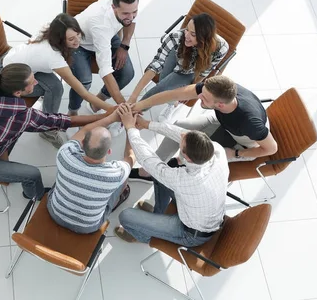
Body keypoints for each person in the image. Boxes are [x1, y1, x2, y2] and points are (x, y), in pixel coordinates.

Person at [0, 63, 110, 200]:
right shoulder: (20, 116)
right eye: (32, 82)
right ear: (18, 93)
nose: (36, 82)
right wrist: (107, 115)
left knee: (17, 131)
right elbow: (64, 121)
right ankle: (35, 195)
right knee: (32, 175)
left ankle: (5, 166)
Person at [113, 107, 228, 247]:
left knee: (126, 216)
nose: (181, 136)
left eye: (182, 142)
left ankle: (146, 236)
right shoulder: (217, 151)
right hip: (198, 211)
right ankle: (158, 214)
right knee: (163, 175)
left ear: (187, 158)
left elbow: (148, 160)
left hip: (191, 233)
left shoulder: (185, 179)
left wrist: (131, 128)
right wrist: (146, 124)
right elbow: (183, 134)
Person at [0, 13, 112, 148]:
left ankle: (48, 116)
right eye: (71, 39)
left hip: (17, 63)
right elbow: (83, 92)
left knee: (55, 87)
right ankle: (47, 130)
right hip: (9, 77)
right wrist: (111, 109)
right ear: (60, 40)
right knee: (55, 89)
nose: (77, 41)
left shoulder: (51, 28)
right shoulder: (53, 57)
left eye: (78, 34)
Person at [130, 75, 278, 183]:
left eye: (204, 97)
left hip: (244, 142)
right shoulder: (220, 88)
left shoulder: (250, 123)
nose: (199, 95)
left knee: (195, 156)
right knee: (180, 126)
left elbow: (271, 149)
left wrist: (235, 153)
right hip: (224, 122)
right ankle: (149, 171)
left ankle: (179, 164)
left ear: (220, 105)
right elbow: (174, 94)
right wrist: (138, 106)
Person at [47, 107, 136, 234]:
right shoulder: (115, 174)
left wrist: (111, 118)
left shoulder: (65, 153)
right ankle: (119, 198)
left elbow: (84, 130)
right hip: (87, 228)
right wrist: (130, 128)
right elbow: (130, 157)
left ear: (82, 143)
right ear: (109, 151)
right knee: (122, 183)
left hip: (55, 213)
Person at [128, 13, 228, 123]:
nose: (187, 35)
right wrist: (133, 95)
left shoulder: (221, 48)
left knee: (160, 89)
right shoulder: (176, 37)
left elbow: (204, 72)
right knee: (164, 84)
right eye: (187, 30)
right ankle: (171, 101)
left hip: (189, 71)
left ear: (205, 39)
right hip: (178, 54)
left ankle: (131, 113)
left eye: (193, 34)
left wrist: (189, 89)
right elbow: (156, 64)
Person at [68, 0, 138, 120]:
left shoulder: (129, 5)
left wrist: (125, 45)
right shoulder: (101, 25)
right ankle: (72, 112)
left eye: (134, 11)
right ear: (113, 7)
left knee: (127, 73)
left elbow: (132, 21)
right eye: (125, 14)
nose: (130, 17)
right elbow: (105, 71)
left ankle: (96, 103)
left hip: (109, 36)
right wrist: (124, 107)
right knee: (84, 81)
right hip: (79, 43)